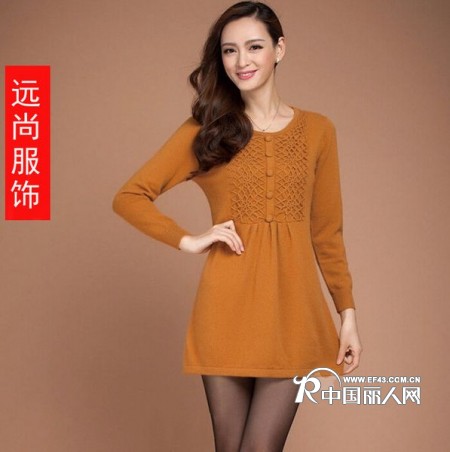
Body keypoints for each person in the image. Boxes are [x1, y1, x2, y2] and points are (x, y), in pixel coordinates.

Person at [112, 1, 362, 450]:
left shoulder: (318, 131)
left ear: (279, 49)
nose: (241, 60)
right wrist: (188, 240)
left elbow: (327, 233)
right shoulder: (206, 130)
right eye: (229, 50)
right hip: (224, 312)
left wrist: (347, 315)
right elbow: (130, 196)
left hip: (293, 315)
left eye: (254, 47)